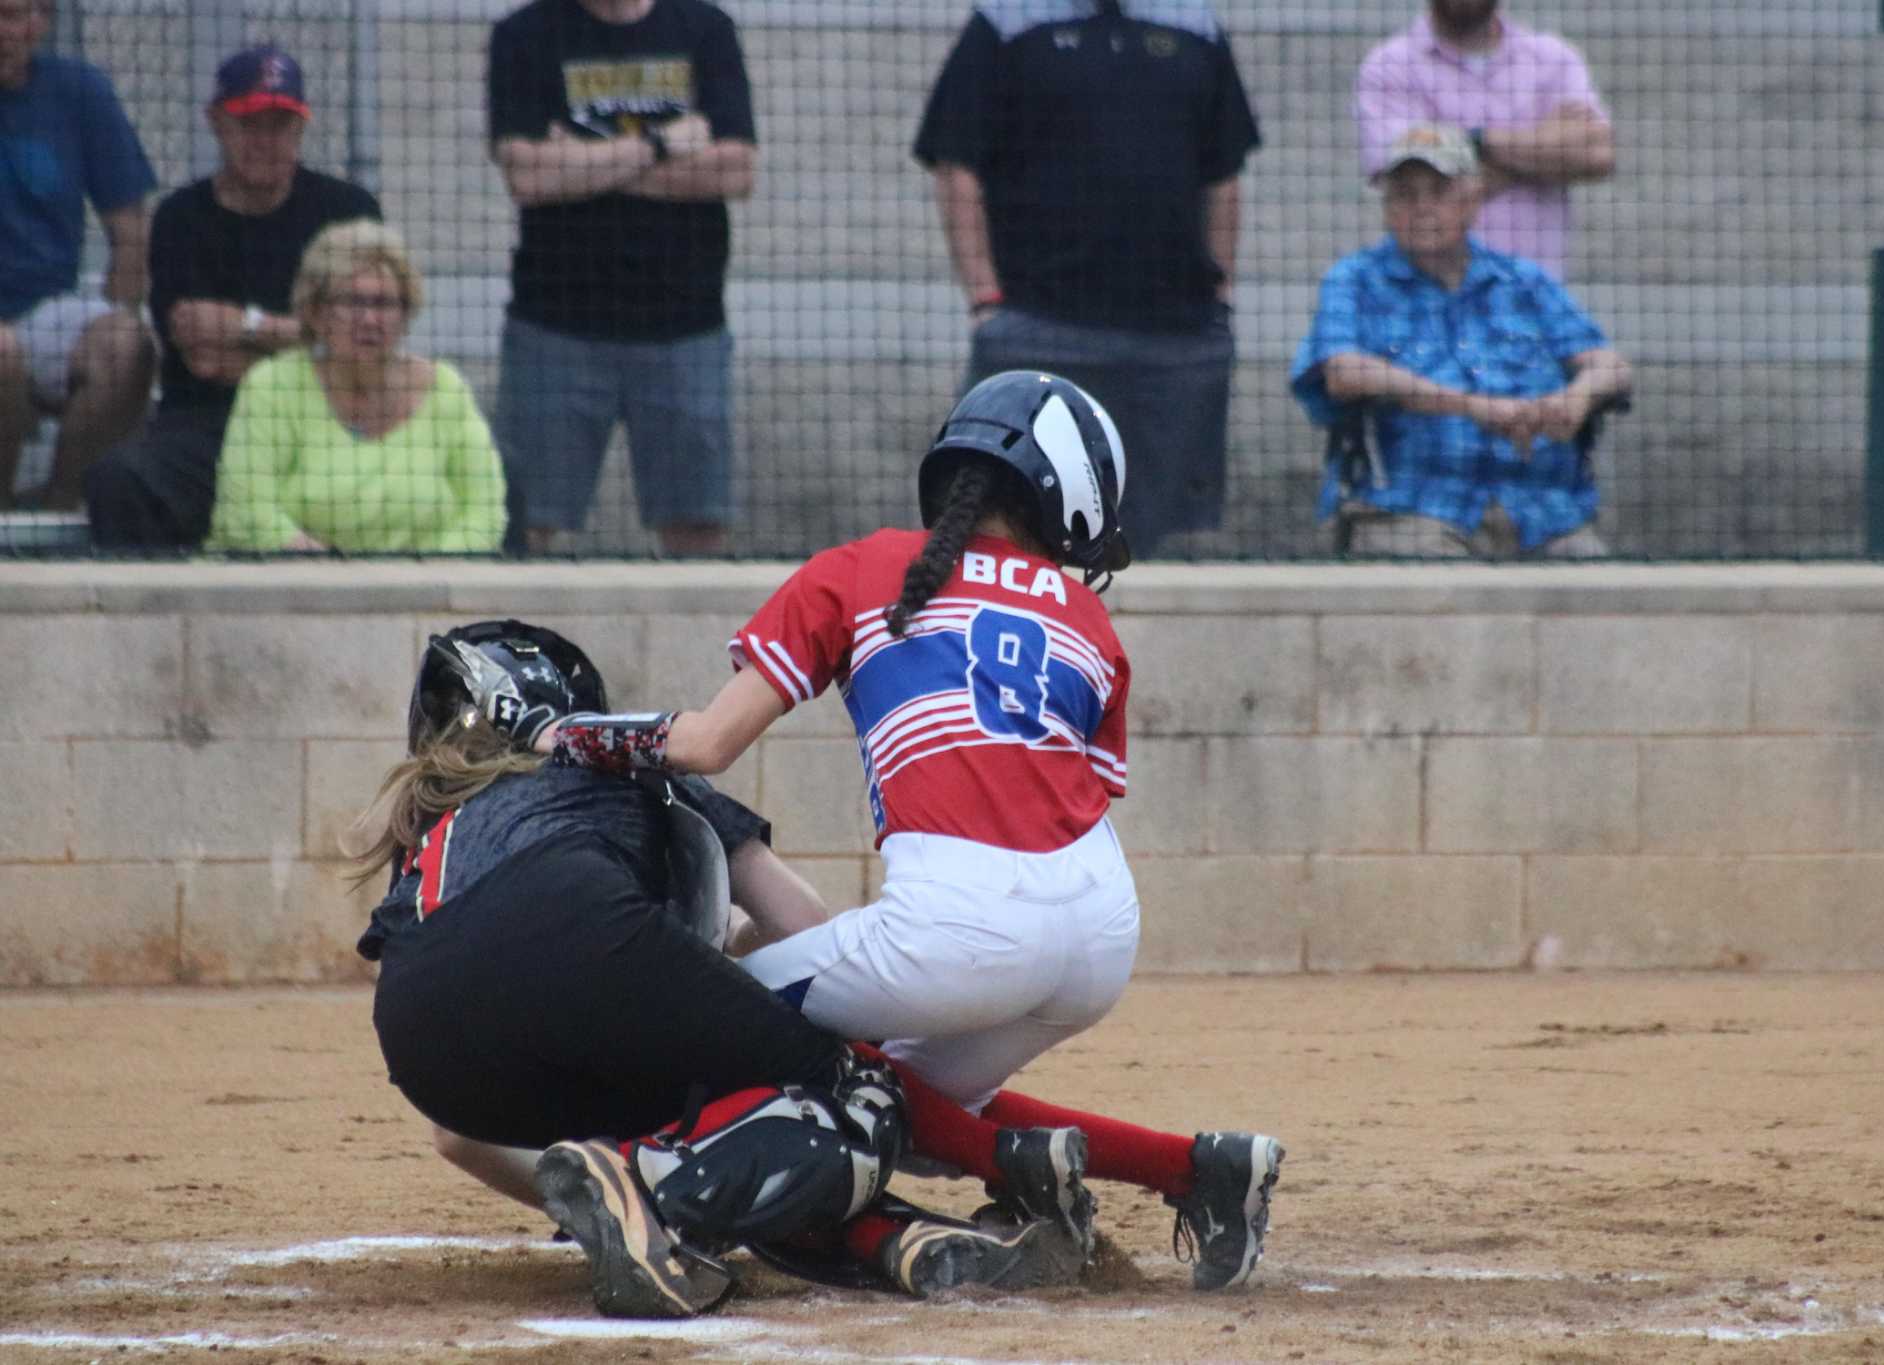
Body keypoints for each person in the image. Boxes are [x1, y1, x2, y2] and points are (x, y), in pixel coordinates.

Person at [538, 370, 1285, 1290]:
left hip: (958, 928)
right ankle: (1199, 1170)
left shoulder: (856, 569)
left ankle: (649, 1191)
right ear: (1069, 500)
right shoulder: (1090, 618)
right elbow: (1064, 795)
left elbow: (704, 745)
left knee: (722, 1030)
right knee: (914, 1113)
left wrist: (557, 734)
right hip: (1100, 937)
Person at [352, 619, 1092, 1313]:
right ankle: (708, 1198)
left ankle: (646, 1201)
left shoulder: (434, 836)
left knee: (707, 1127)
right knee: (847, 1088)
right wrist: (885, 1087)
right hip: (581, 925)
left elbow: (453, 1135)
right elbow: (805, 927)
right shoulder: (621, 764)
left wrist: (594, 1207)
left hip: (419, 1033)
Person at [912, 1, 1260, 558]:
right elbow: (956, 161)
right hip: (1036, 330)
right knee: (1010, 527)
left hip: (1175, 341)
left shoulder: (1194, 22)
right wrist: (984, 298)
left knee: (1160, 546)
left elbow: (1223, 173)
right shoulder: (1005, 21)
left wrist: (1219, 297)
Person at [486, 0, 756, 557]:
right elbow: (528, 175)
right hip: (553, 326)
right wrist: (658, 147)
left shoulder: (704, 29)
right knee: (527, 525)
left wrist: (585, 166)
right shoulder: (526, 35)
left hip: (686, 327)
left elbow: (736, 168)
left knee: (697, 527)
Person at [83, 44, 380, 551]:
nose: (265, 141)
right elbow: (201, 359)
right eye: (248, 124)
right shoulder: (182, 216)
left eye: (280, 126)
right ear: (217, 122)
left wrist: (243, 327)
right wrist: (308, 340)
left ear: (301, 128)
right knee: (121, 477)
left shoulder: (348, 210)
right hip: (207, 425)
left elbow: (360, 343)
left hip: (323, 422)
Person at [1290, 124, 1632, 559]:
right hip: (1412, 508)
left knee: (1601, 600)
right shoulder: (1355, 280)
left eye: (1439, 192)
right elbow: (1343, 372)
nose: (1421, 208)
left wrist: (1578, 397)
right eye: (1404, 195)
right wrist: (1474, 407)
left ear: (1473, 200)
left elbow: (1612, 365)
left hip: (1543, 509)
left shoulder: (1523, 281)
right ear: (1386, 207)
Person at [204, 220, 507, 553]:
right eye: (351, 302)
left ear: (406, 316)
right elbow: (245, 514)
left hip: (423, 592)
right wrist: (337, 576)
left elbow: (485, 515)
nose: (370, 320)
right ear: (316, 313)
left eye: (384, 304)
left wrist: (419, 577)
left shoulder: (447, 390)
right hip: (289, 587)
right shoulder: (272, 387)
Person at [0, 0, 155, 510]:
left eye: (16, 15)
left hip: (43, 309)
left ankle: (62, 503)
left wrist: (118, 310)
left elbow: (131, 231)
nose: (6, 32)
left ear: (41, 21)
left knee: (126, 347)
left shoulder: (78, 92)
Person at [1355, 0, 1614, 280]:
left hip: (1533, 297)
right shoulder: (1388, 66)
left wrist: (1478, 141)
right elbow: (1412, 180)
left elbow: (1597, 155)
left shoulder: (1553, 58)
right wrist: (1543, 149)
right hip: (1427, 295)